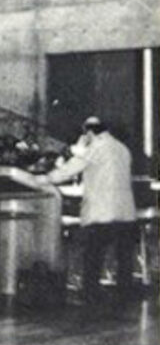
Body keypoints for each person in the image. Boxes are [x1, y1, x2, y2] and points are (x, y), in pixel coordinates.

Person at [41, 117, 137, 303]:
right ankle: (125, 296)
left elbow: (69, 170)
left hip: (103, 212)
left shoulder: (95, 148)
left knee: (94, 254)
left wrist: (44, 179)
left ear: (89, 132)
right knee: (124, 258)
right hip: (126, 211)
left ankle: (91, 294)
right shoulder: (122, 148)